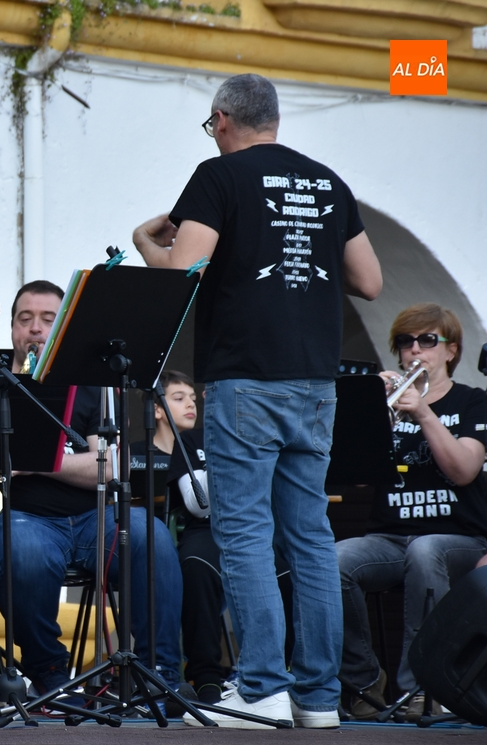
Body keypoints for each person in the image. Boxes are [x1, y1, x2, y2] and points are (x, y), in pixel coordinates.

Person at [133, 73, 383, 729]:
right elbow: (371, 280)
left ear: (221, 121)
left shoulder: (220, 177)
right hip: (316, 382)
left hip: (246, 377)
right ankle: (319, 697)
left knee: (242, 532)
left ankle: (261, 688)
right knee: (310, 535)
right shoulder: (328, 183)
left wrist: (143, 242)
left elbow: (184, 274)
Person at [0, 280, 183, 705]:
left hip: (96, 519)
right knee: (25, 555)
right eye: (25, 319)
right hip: (25, 519)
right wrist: (68, 465)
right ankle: (50, 674)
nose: (36, 329)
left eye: (47, 320)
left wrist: (33, 463)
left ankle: (160, 672)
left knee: (153, 539)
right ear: (12, 330)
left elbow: (107, 466)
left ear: (62, 328)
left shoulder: (88, 385)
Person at [337, 304, 487, 720]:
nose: (414, 351)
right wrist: (372, 411)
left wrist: (423, 412)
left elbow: (463, 470)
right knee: (332, 563)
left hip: (457, 538)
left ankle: (421, 687)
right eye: (405, 342)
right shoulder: (388, 404)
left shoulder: (474, 402)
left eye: (427, 341)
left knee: (426, 551)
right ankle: (366, 683)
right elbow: (360, 479)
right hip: (389, 537)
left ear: (451, 350)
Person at [150, 369, 293, 706]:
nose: (192, 404)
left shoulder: (266, 434)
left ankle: (276, 674)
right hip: (208, 530)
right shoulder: (192, 440)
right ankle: (206, 680)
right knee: (196, 568)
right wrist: (236, 460)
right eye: (180, 397)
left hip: (257, 530)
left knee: (287, 574)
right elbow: (198, 505)